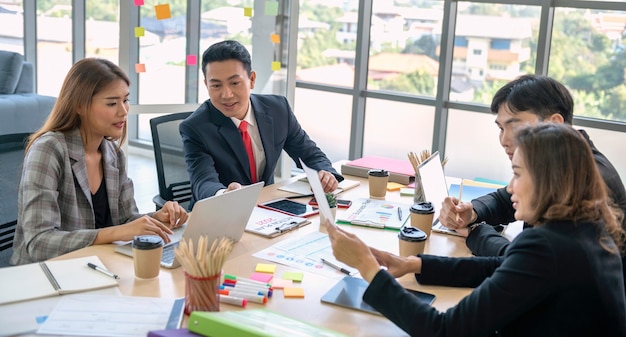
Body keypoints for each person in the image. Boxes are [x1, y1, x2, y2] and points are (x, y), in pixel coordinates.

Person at [327, 123, 626, 336]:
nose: (510, 187)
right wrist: (412, 263)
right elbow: (505, 267)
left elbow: (442, 330)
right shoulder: (586, 231)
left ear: (551, 181)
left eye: (518, 174)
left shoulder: (546, 246)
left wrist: (367, 267)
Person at [438, 75, 626, 277]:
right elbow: (505, 200)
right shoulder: (564, 161)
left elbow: (525, 262)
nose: (504, 140)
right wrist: (472, 211)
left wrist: (476, 233)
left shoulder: (585, 179)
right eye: (501, 128)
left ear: (555, 123)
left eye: (515, 127)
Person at [10, 58, 189, 265]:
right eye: (112, 103)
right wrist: (112, 233)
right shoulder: (49, 149)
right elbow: (38, 243)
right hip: (46, 276)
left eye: (125, 100)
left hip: (96, 267)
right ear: (79, 105)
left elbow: (125, 221)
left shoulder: (112, 153)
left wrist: (157, 219)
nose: (123, 111)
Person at [179, 40, 342, 206]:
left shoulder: (278, 109)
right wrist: (224, 194)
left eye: (235, 83)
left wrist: (326, 173)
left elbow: (309, 154)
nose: (226, 94)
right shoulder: (195, 128)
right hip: (220, 214)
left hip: (267, 206)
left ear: (252, 79)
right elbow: (202, 182)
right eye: (216, 85)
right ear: (206, 85)